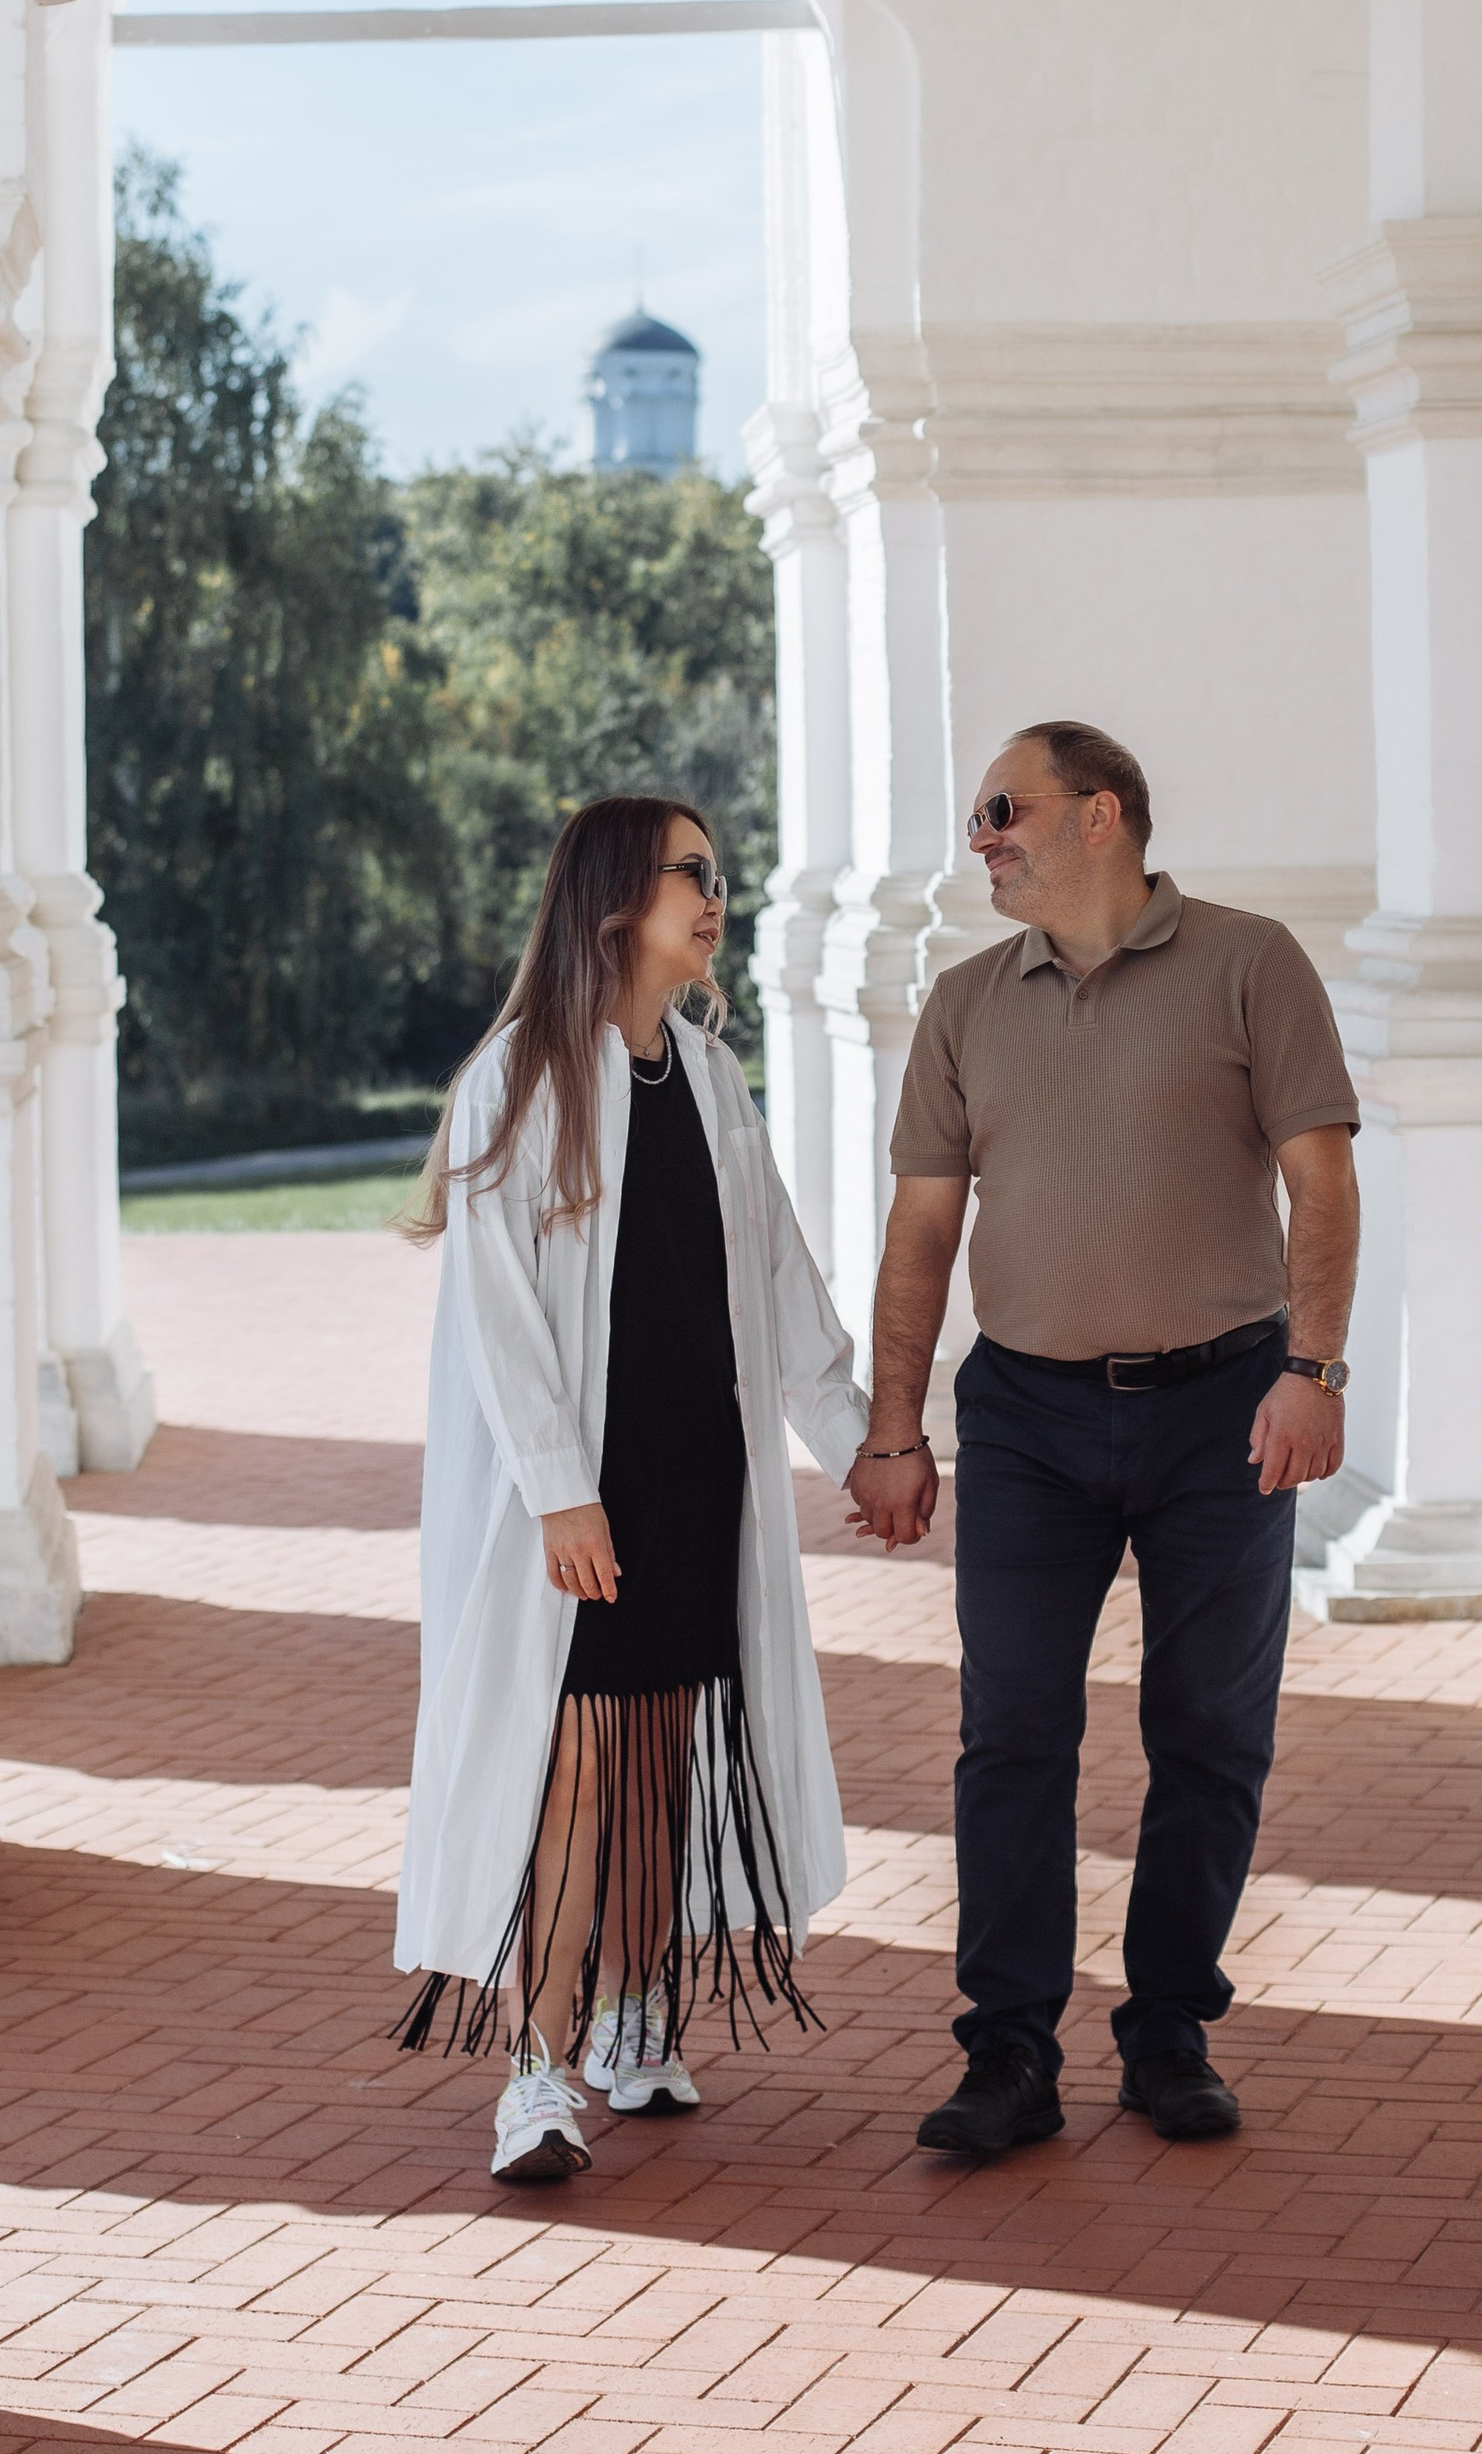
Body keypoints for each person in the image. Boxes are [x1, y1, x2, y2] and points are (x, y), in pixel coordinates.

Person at [845, 720, 1359, 2160]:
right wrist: (897, 1428)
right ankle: (1007, 2052)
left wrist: (1313, 1368)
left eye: (1005, 809)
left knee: (1209, 1732)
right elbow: (924, 1231)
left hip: (1226, 1404)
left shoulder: (1252, 964)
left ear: (1103, 818)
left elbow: (1322, 1184)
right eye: (976, 816)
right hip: (1026, 1418)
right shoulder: (963, 1006)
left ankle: (1169, 2031)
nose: (983, 836)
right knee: (1012, 1734)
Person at [395, 793, 868, 2187]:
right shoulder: (522, 1081)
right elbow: (501, 1317)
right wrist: (558, 1490)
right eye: (692, 875)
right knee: (582, 1769)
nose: (716, 896)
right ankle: (533, 2080)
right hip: (587, 1491)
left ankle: (630, 2020)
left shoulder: (714, 1080)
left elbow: (776, 1274)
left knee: (662, 1748)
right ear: (617, 900)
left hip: (696, 1471)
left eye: (717, 875)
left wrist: (856, 1440)